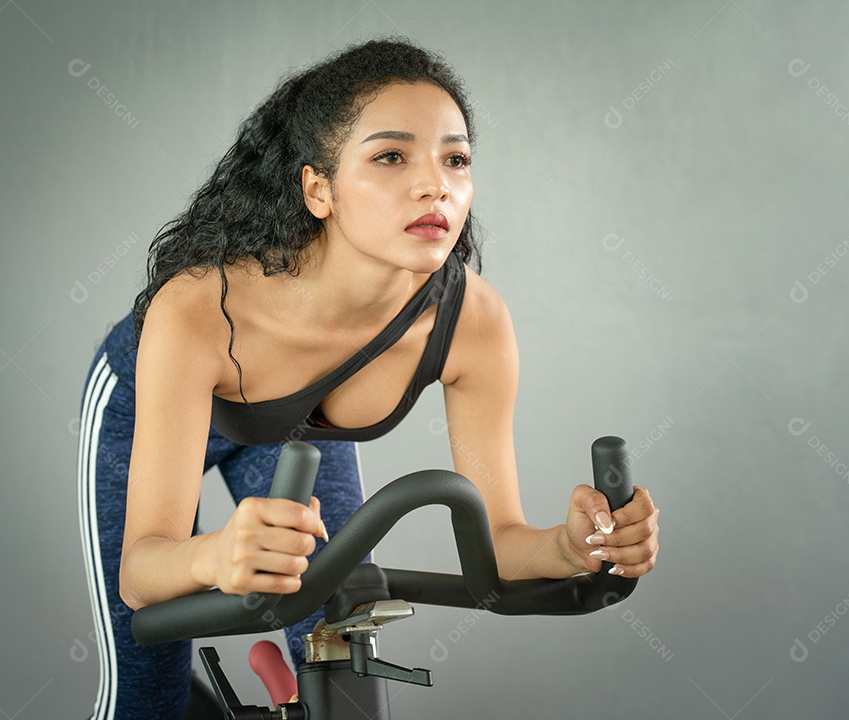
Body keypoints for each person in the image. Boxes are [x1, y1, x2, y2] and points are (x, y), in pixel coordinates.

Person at [76, 36, 660, 719]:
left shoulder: (472, 322)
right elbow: (144, 576)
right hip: (147, 405)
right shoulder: (200, 308)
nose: (434, 183)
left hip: (295, 437)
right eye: (390, 156)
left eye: (456, 159)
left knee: (339, 634)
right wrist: (213, 557)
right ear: (317, 188)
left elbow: (497, 548)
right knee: (146, 690)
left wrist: (571, 546)